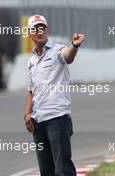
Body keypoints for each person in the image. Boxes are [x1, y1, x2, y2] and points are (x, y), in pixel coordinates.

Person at [23, 15, 85, 176]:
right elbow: (32, 89)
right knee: (46, 172)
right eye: (35, 29)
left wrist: (74, 46)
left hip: (57, 119)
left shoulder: (57, 50)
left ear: (47, 30)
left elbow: (68, 56)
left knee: (63, 170)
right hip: (38, 122)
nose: (39, 31)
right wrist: (27, 113)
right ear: (29, 33)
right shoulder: (31, 61)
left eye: (42, 27)